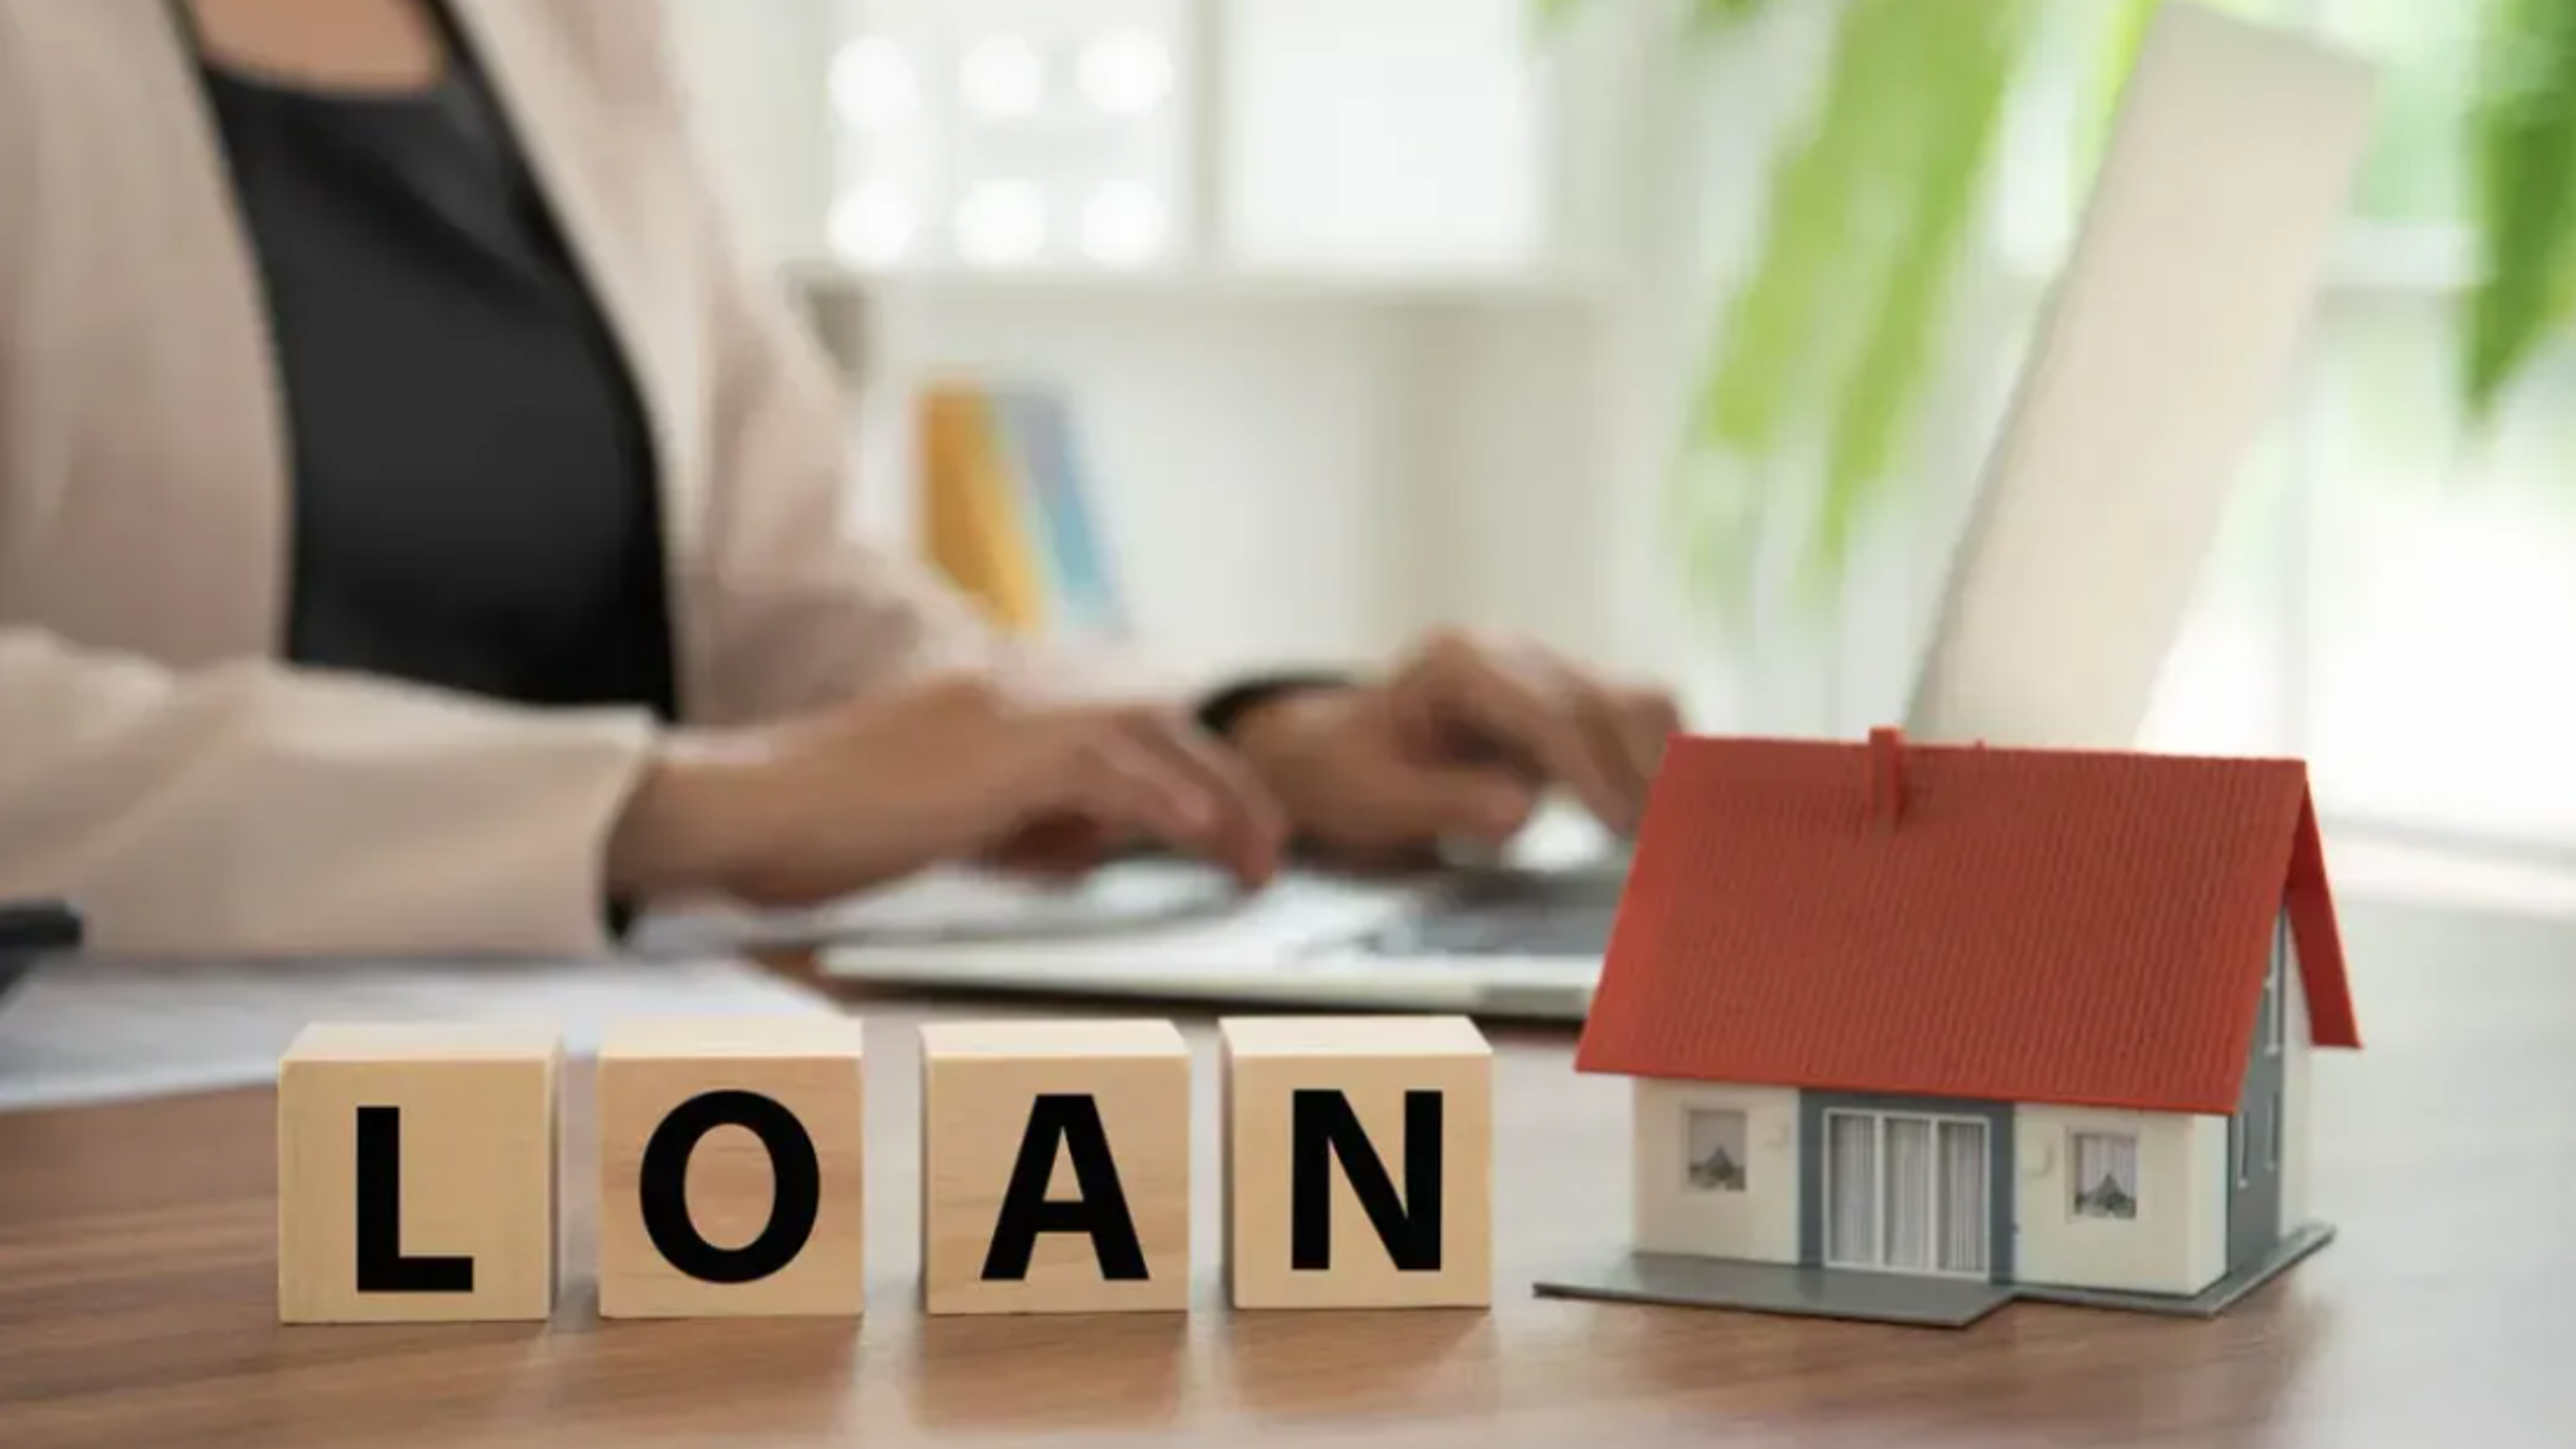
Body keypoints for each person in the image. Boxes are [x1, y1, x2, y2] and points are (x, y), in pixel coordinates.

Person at [0, 0, 1683, 959]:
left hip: (614, 1117)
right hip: (144, 1167)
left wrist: (1252, 744)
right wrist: (681, 805)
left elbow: (804, 605)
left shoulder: (576, 40)